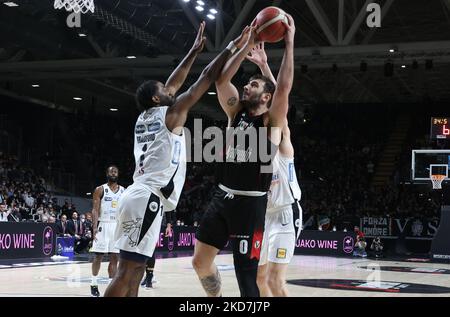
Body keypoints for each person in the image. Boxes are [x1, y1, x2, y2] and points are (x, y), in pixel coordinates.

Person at [104, 22, 249, 297]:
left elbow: (175, 82)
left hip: (142, 196)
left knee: (135, 273)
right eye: (166, 90)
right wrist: (233, 46)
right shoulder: (171, 114)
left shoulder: (145, 116)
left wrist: (194, 51)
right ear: (158, 98)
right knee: (126, 271)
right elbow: (203, 78)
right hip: (146, 198)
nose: (172, 90)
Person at [192, 15, 296, 297]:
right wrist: (247, 42)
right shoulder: (235, 112)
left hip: (251, 208)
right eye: (247, 84)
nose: (247, 86)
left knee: (249, 283)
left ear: (266, 97)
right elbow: (222, 77)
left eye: (254, 85)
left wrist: (289, 42)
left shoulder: (271, 123)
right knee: (200, 263)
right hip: (221, 197)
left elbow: (283, 87)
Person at [245, 43, 302, 297]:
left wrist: (264, 65)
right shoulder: (254, 145)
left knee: (276, 281)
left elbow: (280, 98)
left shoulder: (281, 141)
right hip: (263, 216)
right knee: (259, 279)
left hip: (285, 214)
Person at [89, 165, 125, 297]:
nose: (113, 173)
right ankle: (94, 283)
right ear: (107, 173)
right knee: (98, 256)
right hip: (103, 225)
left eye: (115, 171)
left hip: (117, 226)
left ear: (118, 174)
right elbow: (95, 209)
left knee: (115, 257)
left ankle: (111, 287)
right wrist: (94, 227)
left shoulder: (123, 191)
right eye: (111, 171)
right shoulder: (100, 189)